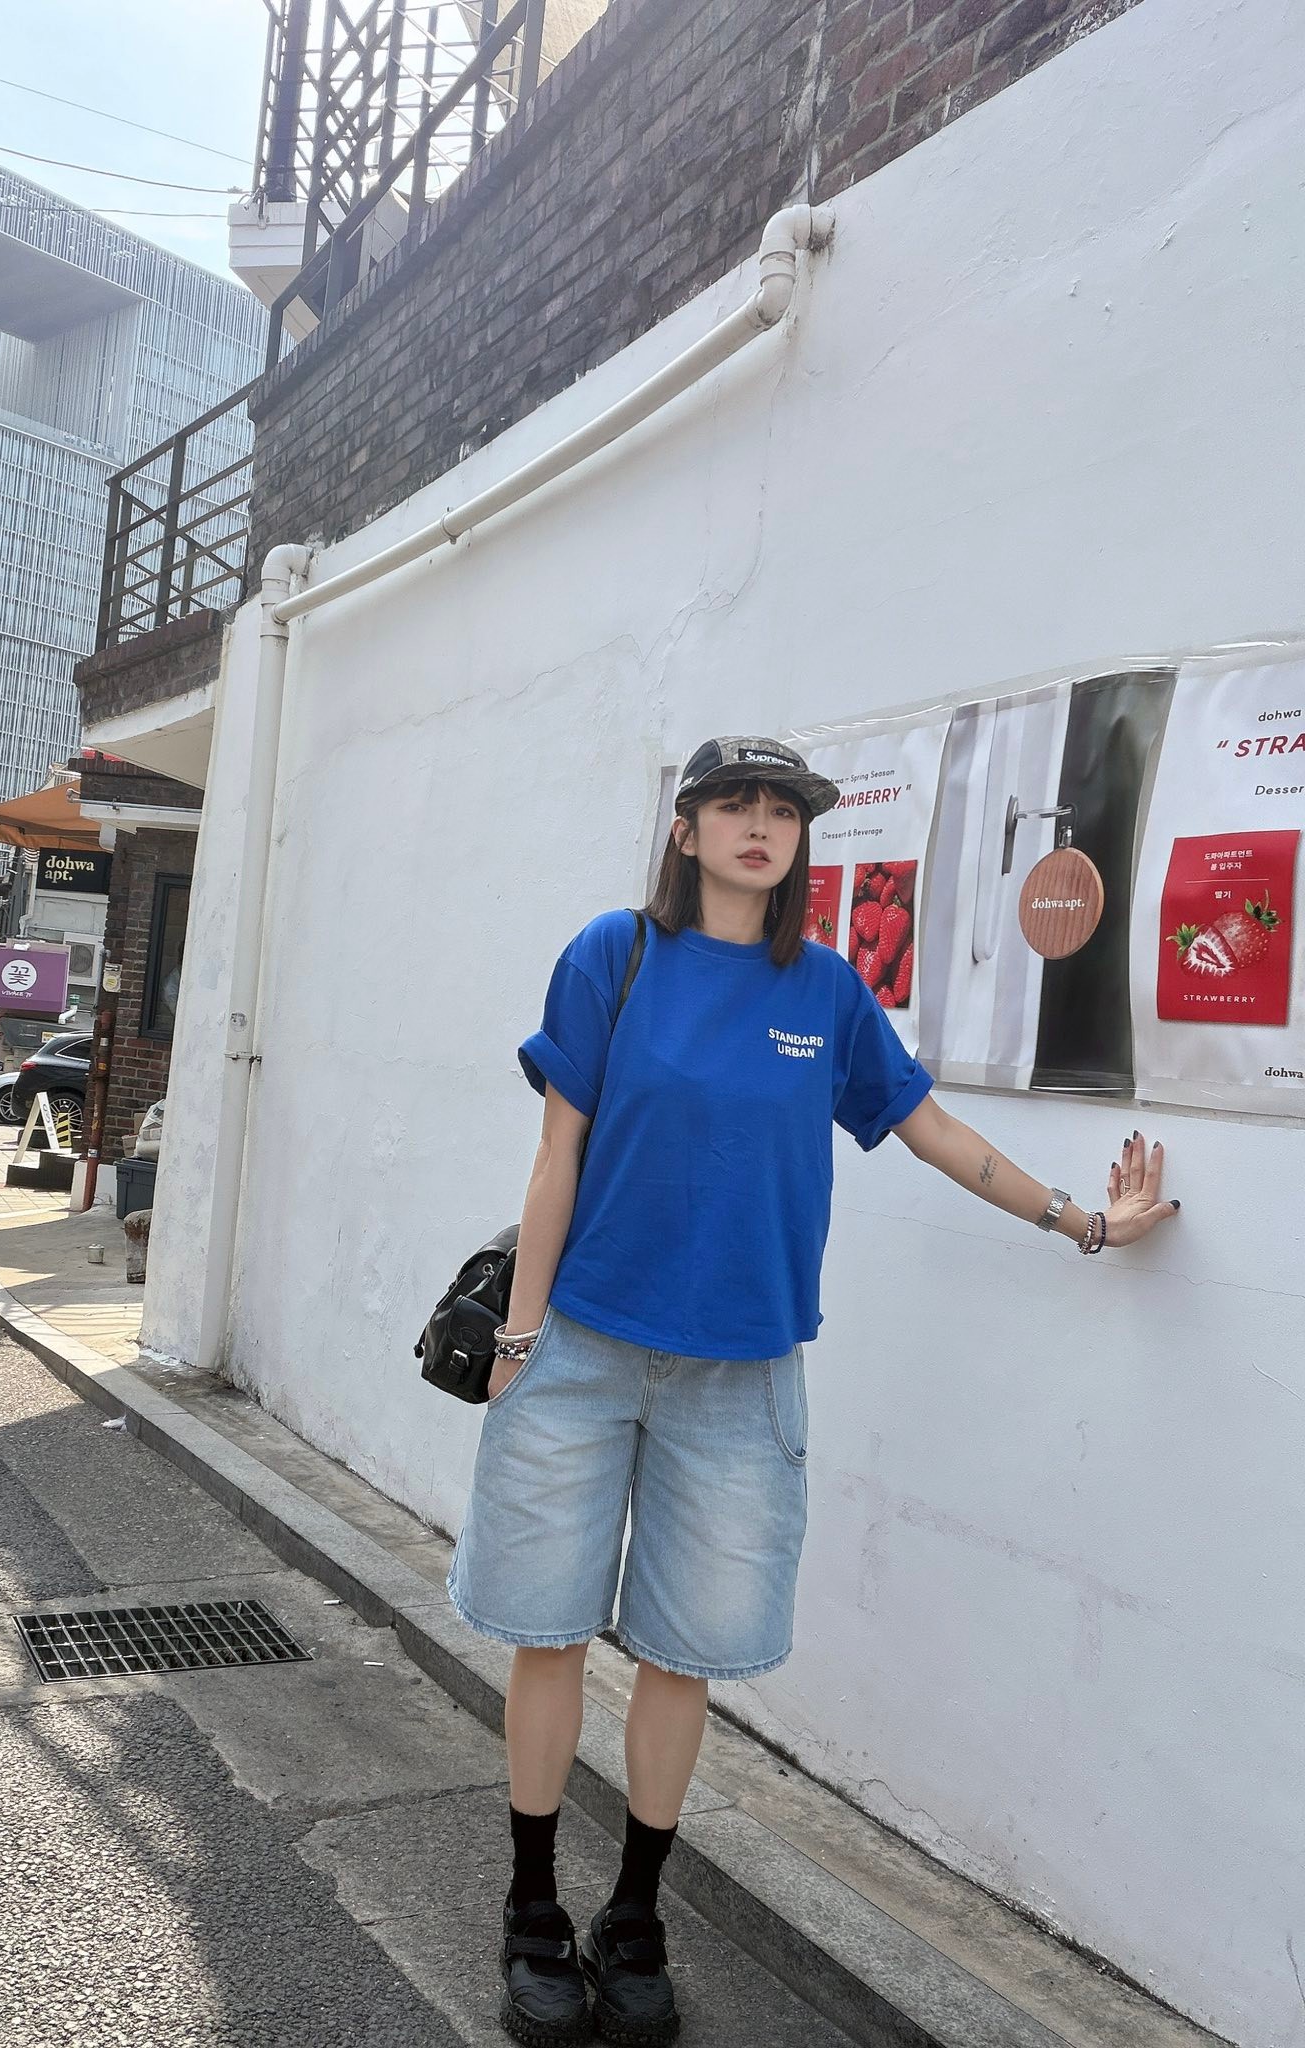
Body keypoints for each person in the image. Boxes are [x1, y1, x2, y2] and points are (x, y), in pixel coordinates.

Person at [447, 735, 1178, 2047]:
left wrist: (1082, 1220)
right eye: (733, 804)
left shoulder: (828, 991)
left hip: (742, 1380)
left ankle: (635, 1916)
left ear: (799, 842)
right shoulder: (615, 956)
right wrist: (518, 1335)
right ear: (685, 830)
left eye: (782, 812)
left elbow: (932, 1130)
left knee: (684, 1654)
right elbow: (557, 1154)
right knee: (547, 1633)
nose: (760, 826)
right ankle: (531, 1907)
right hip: (583, 1353)